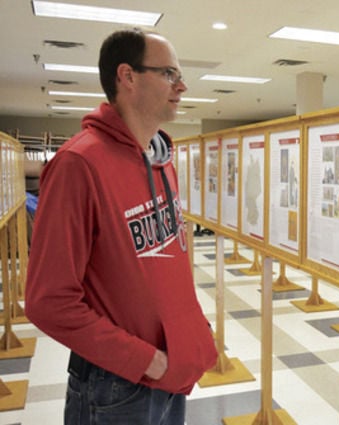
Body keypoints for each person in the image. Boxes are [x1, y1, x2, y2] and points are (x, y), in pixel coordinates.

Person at [25, 28, 218, 424]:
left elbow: (166, 264)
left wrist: (191, 335)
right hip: (115, 384)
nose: (181, 86)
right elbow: (48, 301)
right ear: (127, 76)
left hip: (168, 373)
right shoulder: (78, 165)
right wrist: (147, 361)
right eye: (168, 73)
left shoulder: (162, 160)